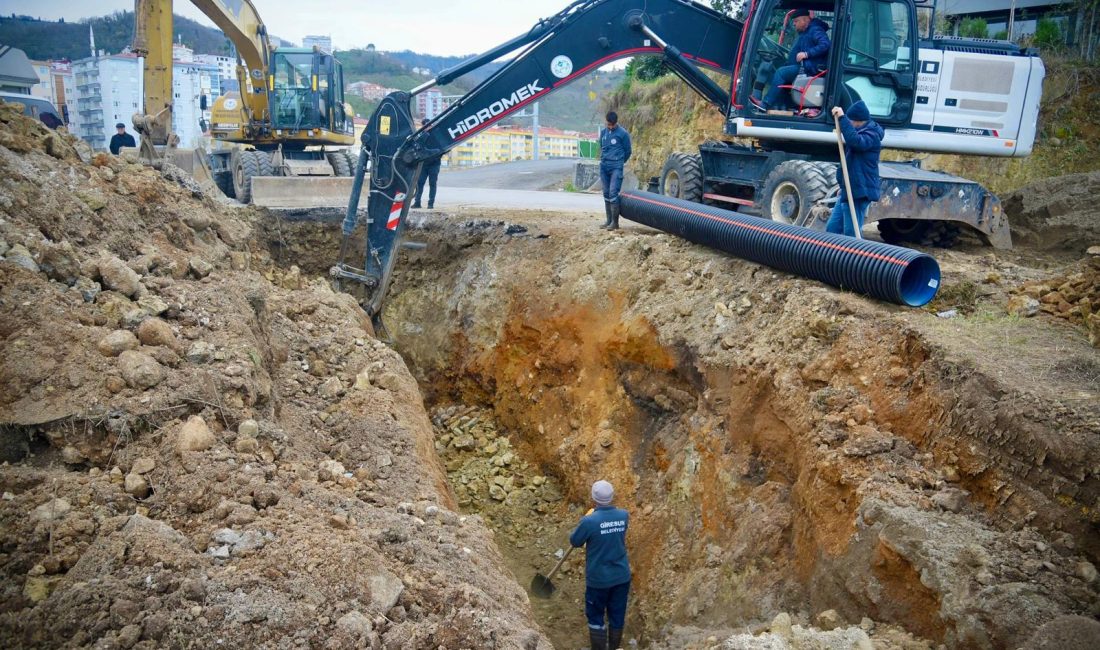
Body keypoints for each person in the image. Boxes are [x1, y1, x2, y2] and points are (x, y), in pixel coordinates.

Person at [569, 480, 631, 650]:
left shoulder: (589, 521)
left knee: (596, 615)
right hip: (621, 576)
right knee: (617, 614)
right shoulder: (624, 515)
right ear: (612, 496)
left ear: (593, 497)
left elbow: (575, 541)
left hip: (598, 580)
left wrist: (587, 518)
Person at [751, 9, 830, 112]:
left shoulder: (815, 30)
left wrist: (806, 54)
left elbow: (825, 44)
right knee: (779, 70)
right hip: (804, 65)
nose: (794, 24)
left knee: (781, 73)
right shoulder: (805, 32)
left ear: (805, 20)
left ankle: (765, 104)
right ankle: (781, 105)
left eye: (796, 21)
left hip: (810, 68)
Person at [827, 100, 884, 237]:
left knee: (852, 234)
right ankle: (828, 257)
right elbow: (851, 163)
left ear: (858, 121)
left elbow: (856, 142)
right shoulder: (860, 131)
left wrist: (842, 118)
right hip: (849, 188)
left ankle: (855, 257)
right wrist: (843, 186)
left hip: (860, 190)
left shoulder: (872, 134)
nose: (849, 123)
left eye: (850, 120)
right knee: (832, 230)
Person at [599, 111, 631, 231]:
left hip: (616, 167)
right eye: (609, 124)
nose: (610, 127)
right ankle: (608, 221)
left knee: (613, 193)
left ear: (616, 123)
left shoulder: (623, 134)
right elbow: (601, 148)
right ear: (606, 122)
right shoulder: (603, 133)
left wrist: (619, 162)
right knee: (606, 193)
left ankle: (615, 223)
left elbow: (628, 151)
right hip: (604, 166)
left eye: (612, 125)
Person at [412, 118, 441, 209]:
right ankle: (417, 202)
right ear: (423, 127)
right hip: (424, 164)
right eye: (426, 126)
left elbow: (442, 149)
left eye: (429, 125)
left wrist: (435, 153)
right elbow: (419, 148)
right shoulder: (421, 136)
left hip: (434, 164)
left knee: (432, 183)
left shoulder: (437, 135)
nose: (428, 127)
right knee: (419, 183)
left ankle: (430, 204)